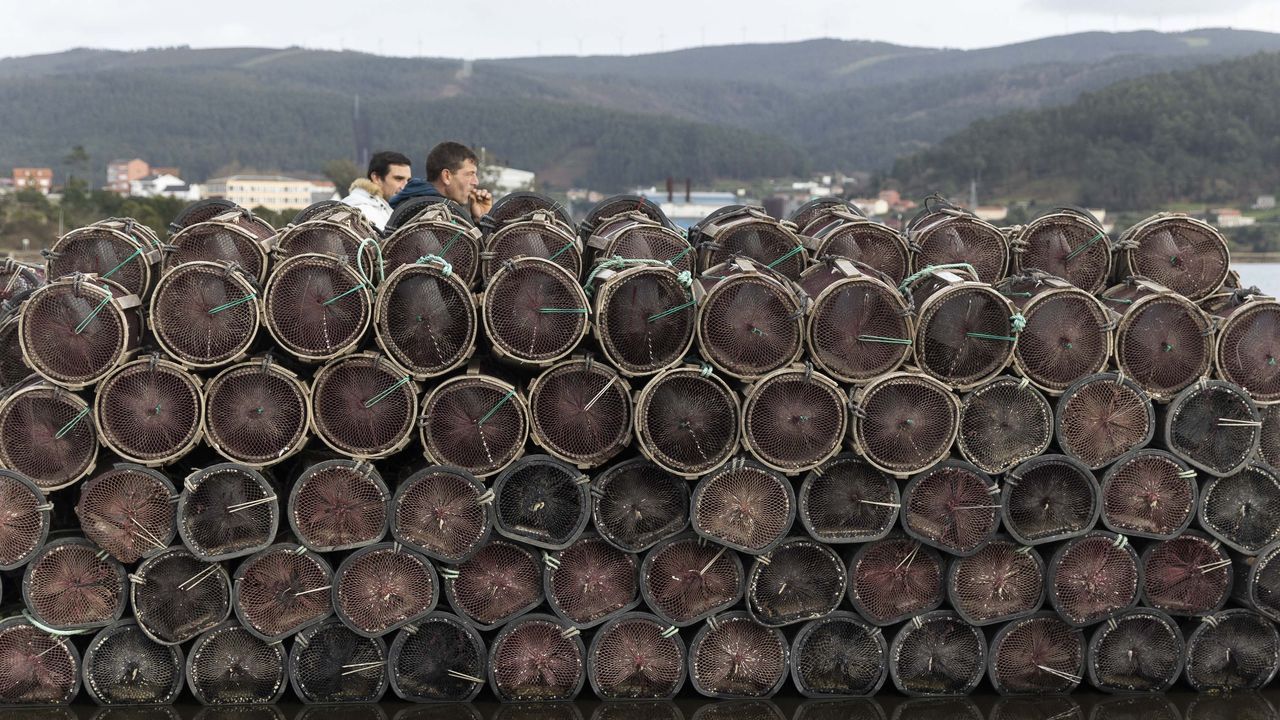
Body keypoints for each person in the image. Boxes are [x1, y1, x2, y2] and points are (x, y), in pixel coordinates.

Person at [390, 141, 493, 220]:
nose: (476, 182)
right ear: (447, 176)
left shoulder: (411, 205)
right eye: (469, 174)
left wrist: (480, 219)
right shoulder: (422, 214)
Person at [341, 150, 411, 231]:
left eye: (408, 180)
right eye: (398, 179)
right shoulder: (361, 212)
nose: (405, 186)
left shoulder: (388, 209)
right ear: (376, 178)